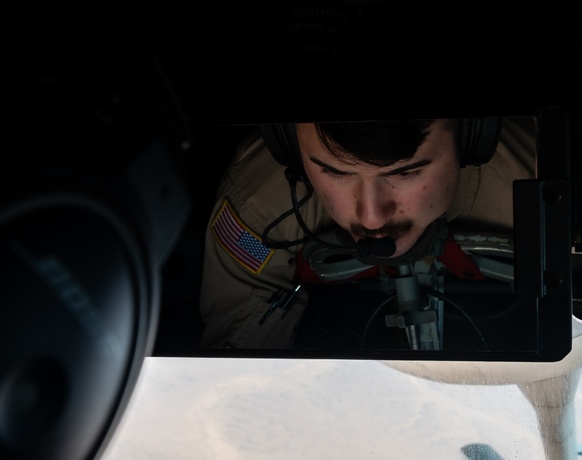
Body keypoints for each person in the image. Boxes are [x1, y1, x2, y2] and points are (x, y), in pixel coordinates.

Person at [198, 116, 536, 349]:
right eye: (334, 172)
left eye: (406, 173)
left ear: (471, 136)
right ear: (288, 146)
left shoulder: (537, 180)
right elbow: (238, 353)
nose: (372, 218)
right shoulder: (262, 212)